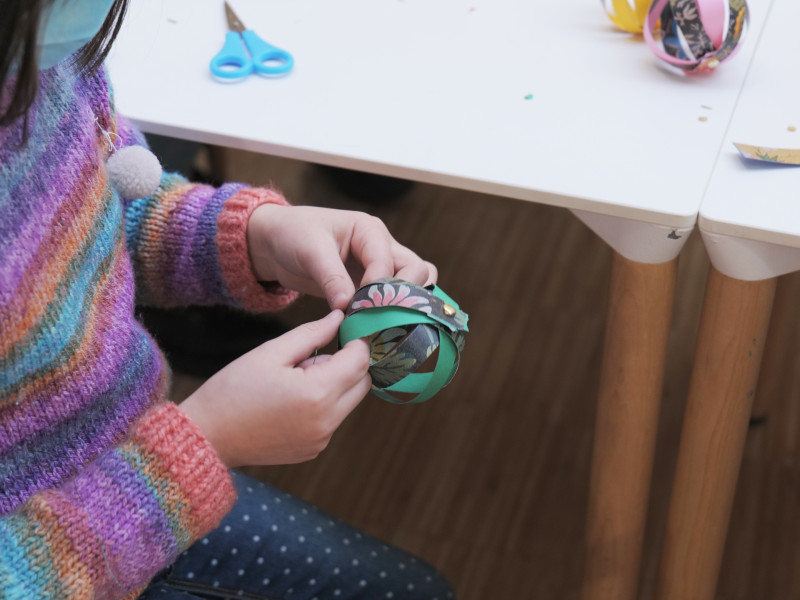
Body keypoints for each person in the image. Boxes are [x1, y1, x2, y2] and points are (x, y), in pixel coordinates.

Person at [0, 0, 455, 598]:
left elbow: (87, 213)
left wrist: (253, 238)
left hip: (144, 469)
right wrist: (203, 448)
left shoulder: (46, 52)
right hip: (107, 526)